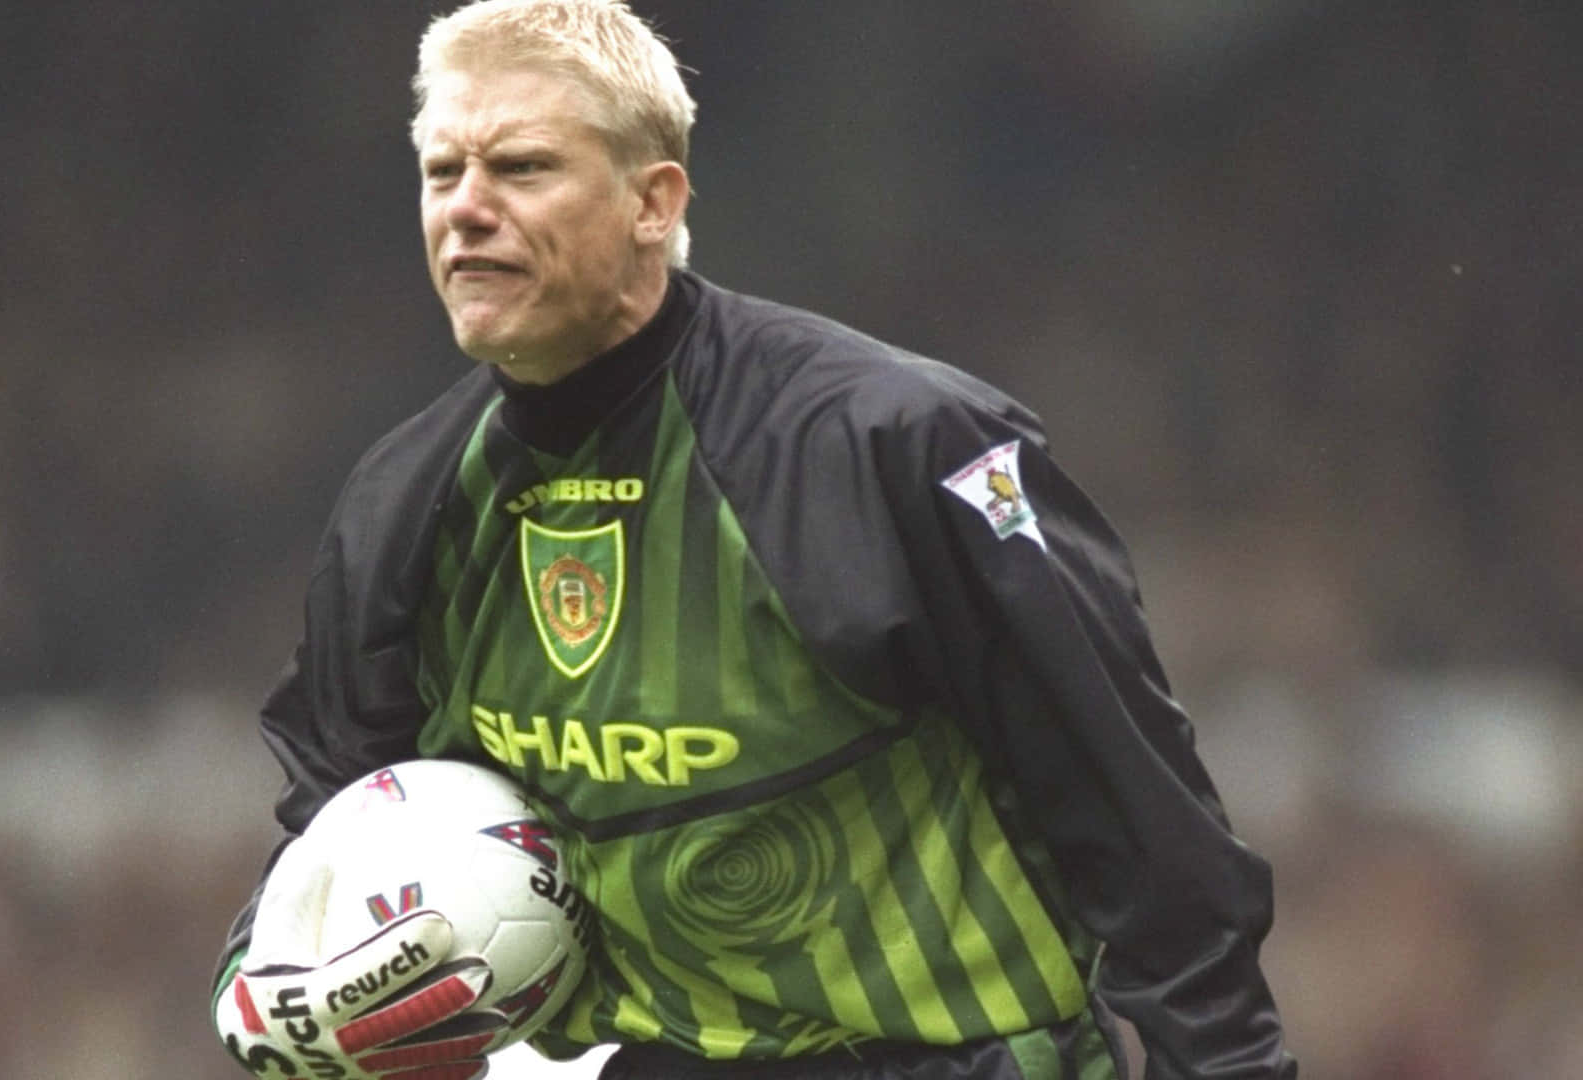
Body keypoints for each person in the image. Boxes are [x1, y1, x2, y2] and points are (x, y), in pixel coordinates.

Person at [212, 1, 1298, 1078]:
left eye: (522, 168)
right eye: (442, 172)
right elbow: (338, 810)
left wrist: (1226, 1064)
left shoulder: (896, 445)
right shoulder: (405, 503)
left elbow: (1140, 818)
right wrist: (271, 971)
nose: (468, 208)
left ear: (654, 202)